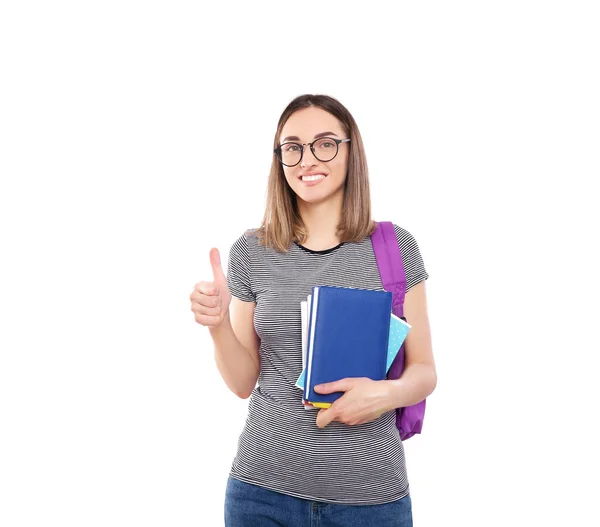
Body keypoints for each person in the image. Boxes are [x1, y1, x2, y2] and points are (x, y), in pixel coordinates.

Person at [190, 94, 436, 526]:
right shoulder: (252, 250)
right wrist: (217, 326)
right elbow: (243, 382)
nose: (307, 159)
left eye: (325, 143)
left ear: (350, 149)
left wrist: (385, 395)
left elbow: (425, 371)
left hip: (371, 501)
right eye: (293, 147)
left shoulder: (397, 247)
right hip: (261, 496)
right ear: (280, 159)